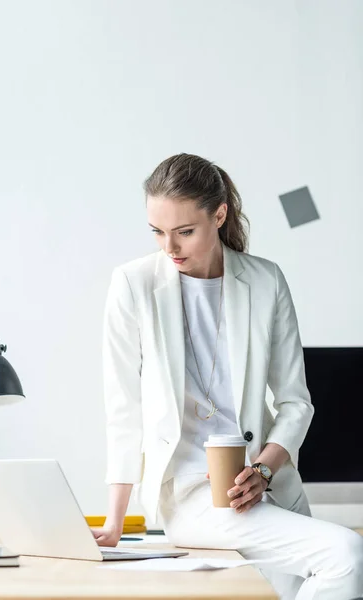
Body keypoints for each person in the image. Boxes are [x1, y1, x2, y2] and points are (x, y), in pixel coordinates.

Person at [93, 153, 363, 599]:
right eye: (158, 231)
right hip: (189, 495)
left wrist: (263, 469)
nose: (169, 247)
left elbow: (296, 402)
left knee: (321, 579)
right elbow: (124, 408)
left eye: (184, 231)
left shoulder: (265, 281)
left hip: (269, 488)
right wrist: (115, 521)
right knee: (347, 554)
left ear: (219, 215)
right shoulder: (133, 284)